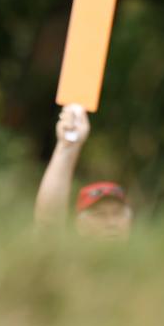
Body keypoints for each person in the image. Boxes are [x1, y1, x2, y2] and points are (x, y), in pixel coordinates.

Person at [34, 103, 133, 240]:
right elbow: (48, 223)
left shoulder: (155, 259)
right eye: (100, 215)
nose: (111, 223)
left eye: (118, 214)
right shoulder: (70, 260)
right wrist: (67, 147)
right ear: (79, 225)